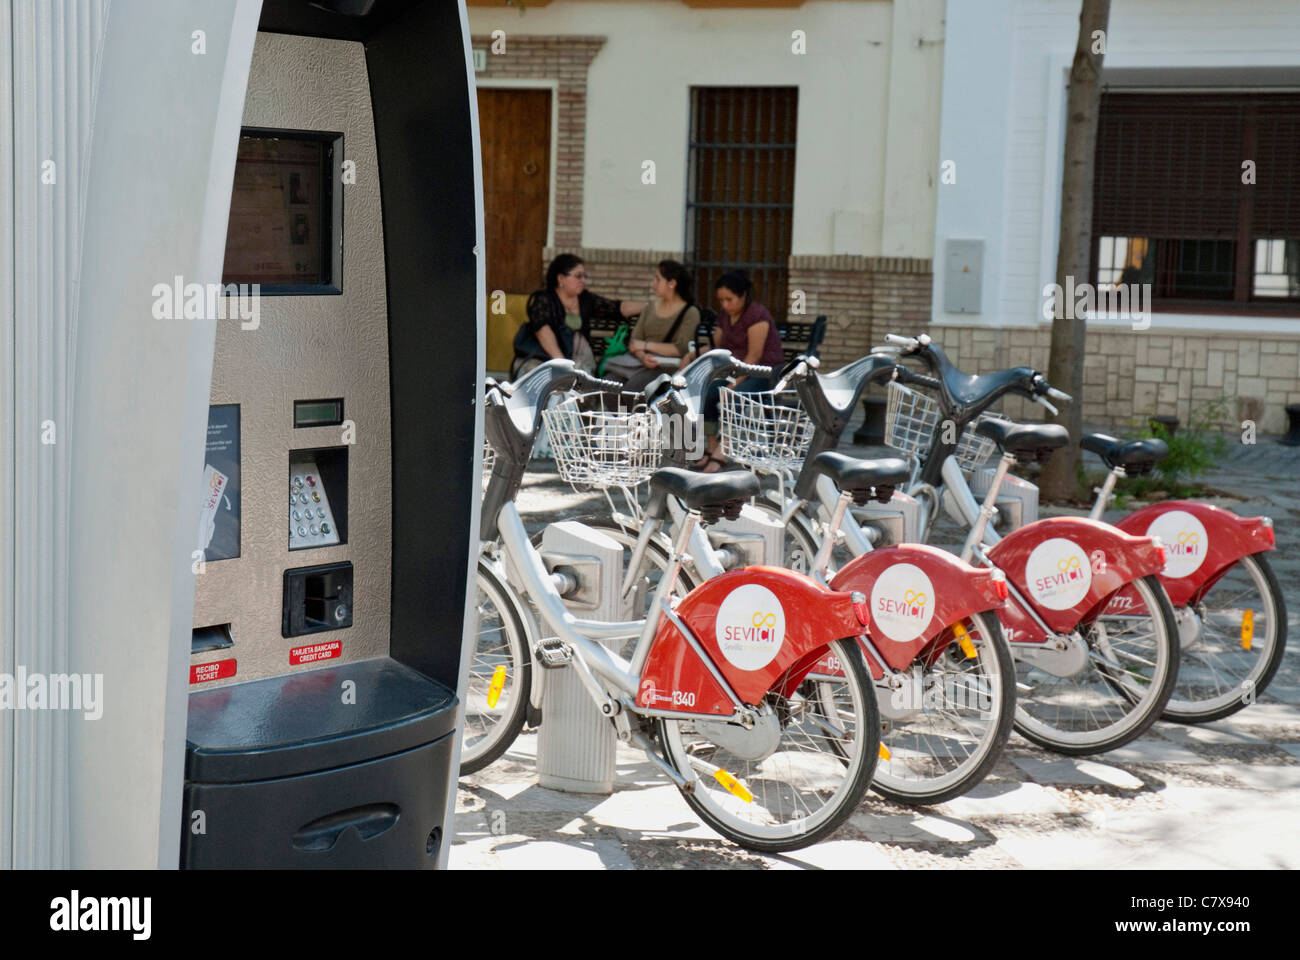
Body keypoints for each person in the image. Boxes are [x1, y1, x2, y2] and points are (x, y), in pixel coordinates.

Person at [696, 270, 784, 472]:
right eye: (722, 300)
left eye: (730, 299)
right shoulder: (725, 316)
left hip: (762, 372)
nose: (725, 305)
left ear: (743, 295)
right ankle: (711, 445)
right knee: (708, 392)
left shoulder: (757, 316)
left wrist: (734, 383)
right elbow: (715, 346)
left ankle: (724, 448)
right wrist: (692, 356)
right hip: (734, 371)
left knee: (734, 397)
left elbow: (754, 356)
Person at [512, 254, 644, 378]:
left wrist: (652, 306)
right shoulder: (544, 299)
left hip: (578, 359)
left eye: (584, 276)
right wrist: (562, 364)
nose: (583, 280)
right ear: (561, 279)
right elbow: (542, 331)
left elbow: (619, 308)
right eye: (578, 276)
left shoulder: (586, 299)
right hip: (542, 358)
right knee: (543, 379)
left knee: (579, 379)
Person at [604, 260, 701, 393]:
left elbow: (680, 348)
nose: (653, 284)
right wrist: (643, 356)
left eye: (658, 279)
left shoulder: (690, 312)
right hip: (639, 362)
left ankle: (631, 414)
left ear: (672, 283)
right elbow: (634, 341)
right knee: (609, 384)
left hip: (667, 367)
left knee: (632, 389)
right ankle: (619, 414)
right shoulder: (650, 307)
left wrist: (645, 346)